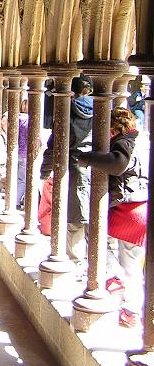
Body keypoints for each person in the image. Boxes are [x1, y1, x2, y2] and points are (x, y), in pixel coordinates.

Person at [77, 107, 148, 328]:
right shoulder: (144, 141)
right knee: (133, 266)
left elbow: (118, 164)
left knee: (94, 233)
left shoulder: (125, 141)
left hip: (126, 211)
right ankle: (131, 311)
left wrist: (86, 157)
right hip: (142, 210)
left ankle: (112, 276)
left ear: (112, 127)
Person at [40, 75, 93, 277]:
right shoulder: (101, 110)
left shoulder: (66, 110)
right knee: (93, 216)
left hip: (72, 167)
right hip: (97, 169)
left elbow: (56, 142)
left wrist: (45, 170)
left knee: (74, 218)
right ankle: (94, 265)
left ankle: (75, 264)